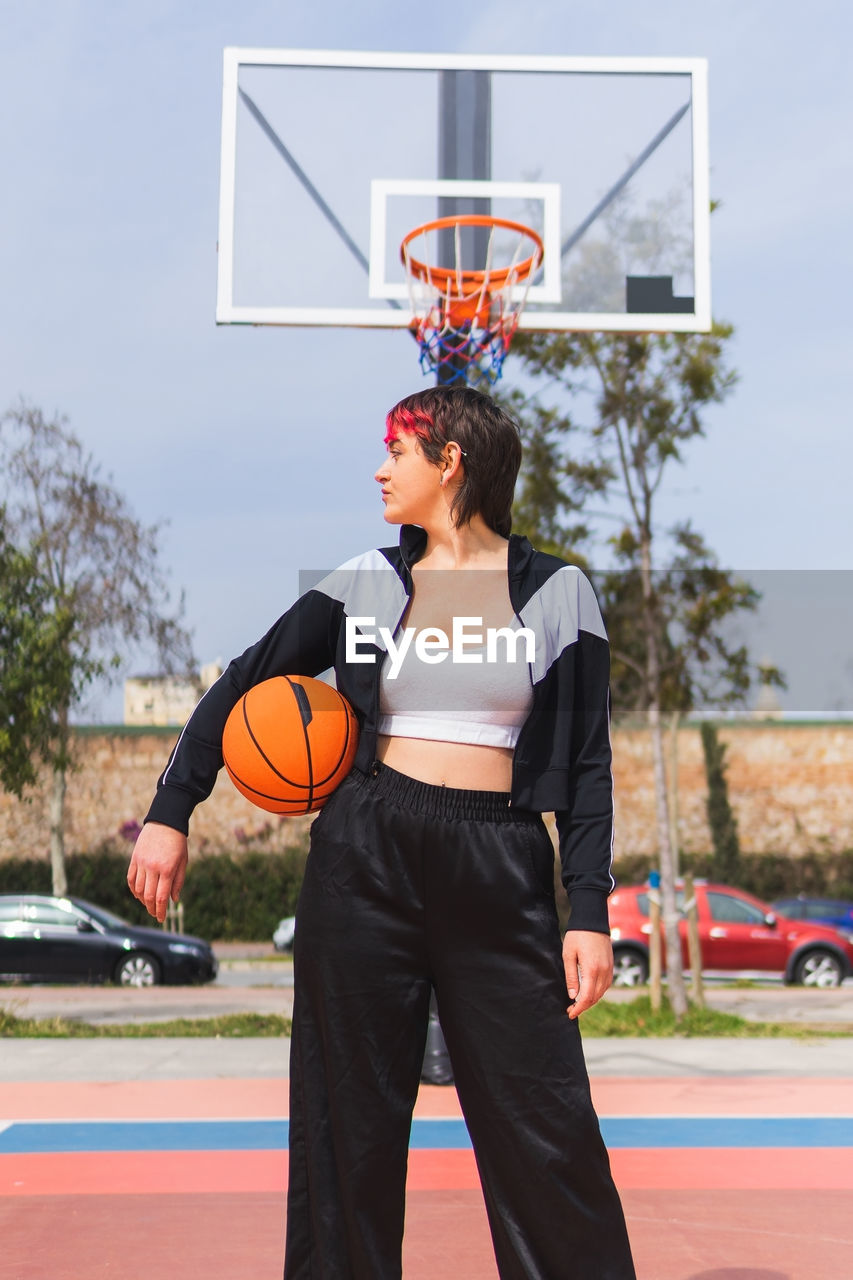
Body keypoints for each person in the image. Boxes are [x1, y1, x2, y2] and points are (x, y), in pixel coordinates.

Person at [127, 385, 636, 1280]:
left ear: (451, 463)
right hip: (366, 855)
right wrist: (173, 809)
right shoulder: (364, 580)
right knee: (343, 1126)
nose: (379, 468)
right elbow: (244, 680)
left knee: (544, 1120)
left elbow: (587, 765)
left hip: (501, 859)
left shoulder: (558, 592)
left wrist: (586, 908)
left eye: (396, 451)